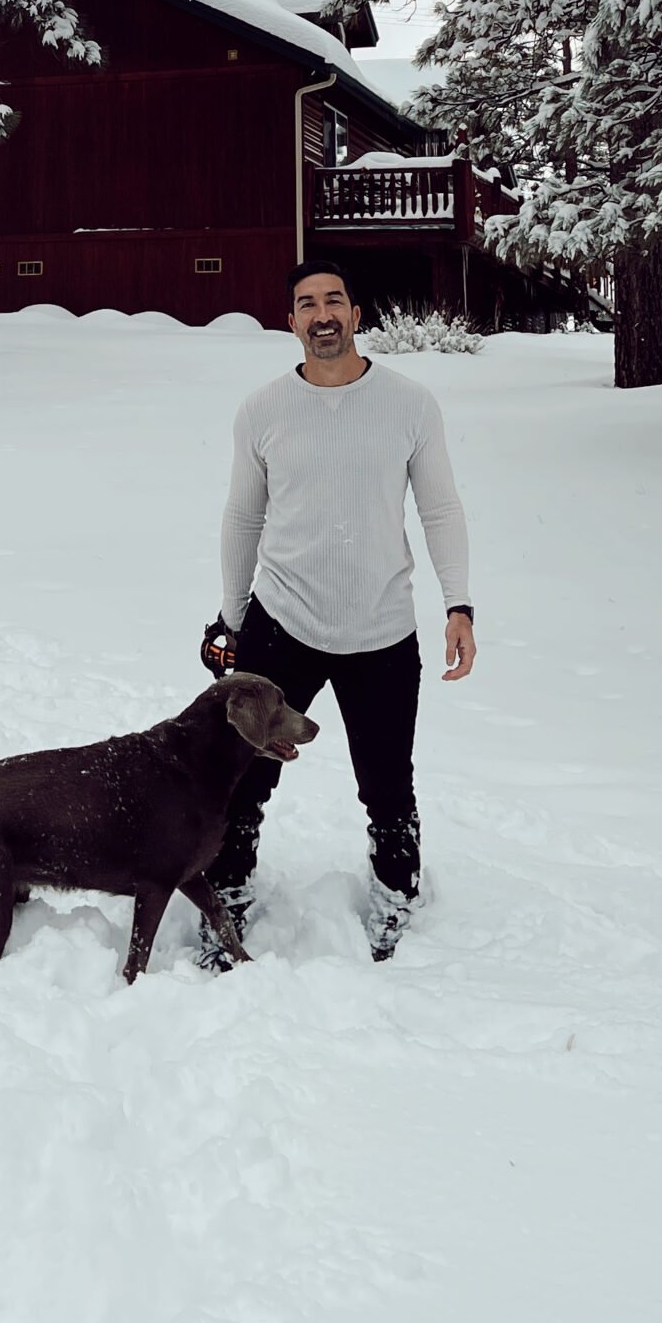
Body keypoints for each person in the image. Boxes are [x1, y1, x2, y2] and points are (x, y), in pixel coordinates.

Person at [201, 259, 475, 960]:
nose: (321, 315)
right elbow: (242, 517)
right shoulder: (262, 410)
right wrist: (231, 620)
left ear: (356, 314)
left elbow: (440, 508)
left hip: (381, 628)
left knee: (387, 783)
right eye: (306, 304)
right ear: (289, 321)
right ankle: (226, 892)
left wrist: (459, 604)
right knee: (242, 775)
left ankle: (394, 892)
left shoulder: (410, 404)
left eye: (334, 301)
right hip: (281, 621)